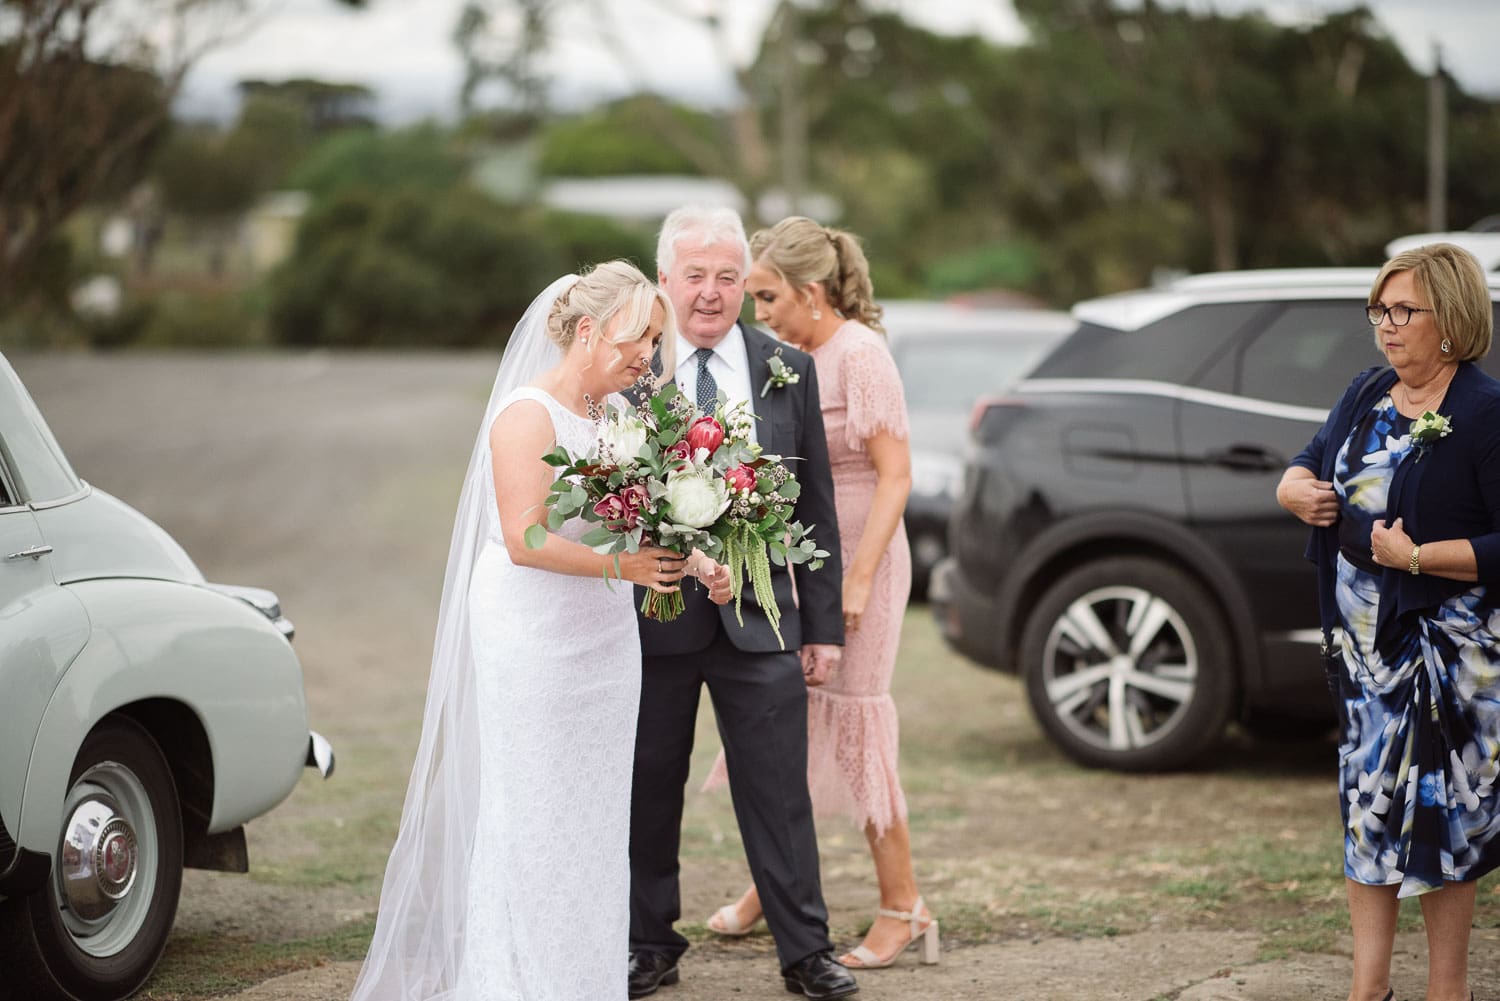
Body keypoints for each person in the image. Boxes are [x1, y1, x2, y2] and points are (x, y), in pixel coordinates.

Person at [349, 261, 732, 1001]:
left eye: (655, 342)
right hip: (533, 638)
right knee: (534, 817)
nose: (647, 357)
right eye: (638, 339)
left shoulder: (623, 419)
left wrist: (703, 562)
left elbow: (652, 522)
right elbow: (525, 540)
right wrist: (626, 569)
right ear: (588, 331)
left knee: (593, 822)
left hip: (605, 642)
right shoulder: (526, 416)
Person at [627, 206, 857, 1001]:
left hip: (761, 620)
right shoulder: (632, 366)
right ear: (665, 279)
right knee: (647, 786)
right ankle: (647, 941)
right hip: (653, 618)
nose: (712, 293)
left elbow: (815, 507)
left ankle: (806, 952)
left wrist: (821, 626)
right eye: (695, 276)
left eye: (729, 277)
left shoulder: (784, 365)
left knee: (779, 791)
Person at [697, 216, 937, 971]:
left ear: (811, 290)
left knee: (859, 726)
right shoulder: (785, 355)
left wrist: (857, 580)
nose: (756, 312)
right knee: (782, 720)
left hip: (861, 561)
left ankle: (905, 904)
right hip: (797, 561)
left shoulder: (860, 354)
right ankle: (778, 885)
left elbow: (896, 475)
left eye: (766, 296)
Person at [1276, 242, 1500, 1001]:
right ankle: (1367, 989)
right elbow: (1305, 464)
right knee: (1367, 812)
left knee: (1444, 821)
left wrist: (1420, 557)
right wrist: (1295, 490)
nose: (1387, 325)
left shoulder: (1483, 412)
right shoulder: (1367, 391)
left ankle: (1448, 990)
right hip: (1364, 658)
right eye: (1380, 309)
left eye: (1405, 310)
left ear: (1452, 320)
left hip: (1451, 659)